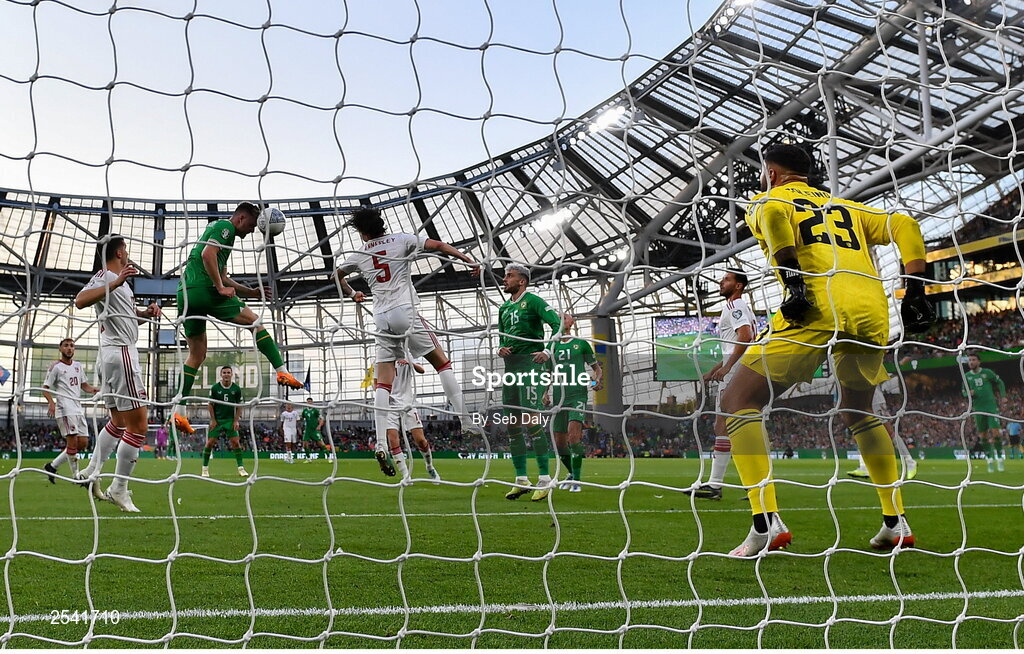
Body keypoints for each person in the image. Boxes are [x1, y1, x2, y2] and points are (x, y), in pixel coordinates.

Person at [719, 144, 934, 557]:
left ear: (772, 173)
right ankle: (895, 522)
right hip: (872, 311)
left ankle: (766, 523)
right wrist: (916, 288)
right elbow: (905, 223)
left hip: (817, 304)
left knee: (737, 400)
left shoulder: (768, 199)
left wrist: (794, 282)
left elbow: (776, 217)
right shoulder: (847, 207)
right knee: (859, 410)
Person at [334, 208, 480, 477]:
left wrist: (354, 293)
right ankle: (465, 420)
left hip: (380, 317)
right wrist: (467, 259)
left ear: (363, 232)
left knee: (383, 381)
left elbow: (337, 274)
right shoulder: (401, 239)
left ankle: (379, 443)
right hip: (405, 310)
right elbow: (437, 245)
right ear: (381, 225)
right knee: (442, 363)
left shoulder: (360, 253)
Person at [172, 202, 303, 436]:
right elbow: (207, 255)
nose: (252, 231)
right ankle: (281, 370)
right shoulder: (226, 227)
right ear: (241, 218)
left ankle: (178, 411)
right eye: (252, 225)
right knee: (256, 323)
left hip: (186, 293)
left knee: (196, 355)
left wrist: (250, 293)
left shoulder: (220, 234)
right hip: (206, 289)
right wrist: (220, 288)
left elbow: (221, 273)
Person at [74, 235, 163, 512]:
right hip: (122, 353)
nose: (128, 253)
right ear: (120, 251)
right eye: (126, 249)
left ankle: (91, 471)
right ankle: (118, 489)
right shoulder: (107, 277)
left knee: (118, 422)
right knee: (138, 427)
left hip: (110, 355)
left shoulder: (114, 280)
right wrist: (116, 282)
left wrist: (145, 313)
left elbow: (122, 314)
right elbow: (79, 301)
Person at [687, 268, 756, 500]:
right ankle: (752, 485)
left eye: (726, 279)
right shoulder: (741, 307)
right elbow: (735, 343)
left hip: (737, 372)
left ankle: (718, 485)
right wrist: (715, 369)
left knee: (724, 425)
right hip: (745, 369)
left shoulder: (734, 306)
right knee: (737, 426)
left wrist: (727, 369)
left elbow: (745, 337)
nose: (721, 282)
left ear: (738, 285)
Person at [498, 264, 563, 501]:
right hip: (510, 368)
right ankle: (521, 479)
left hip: (530, 365)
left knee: (530, 419)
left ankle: (545, 479)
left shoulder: (534, 301)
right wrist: (500, 348)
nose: (505, 279)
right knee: (512, 425)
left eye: (509, 276)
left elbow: (557, 323)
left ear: (522, 281)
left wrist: (548, 351)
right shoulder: (504, 307)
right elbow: (501, 335)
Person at [543, 314, 602, 493]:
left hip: (577, 395)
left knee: (573, 437)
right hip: (559, 397)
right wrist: (545, 392)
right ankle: (570, 473)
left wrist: (596, 381)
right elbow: (548, 374)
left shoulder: (581, 344)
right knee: (559, 443)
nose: (561, 319)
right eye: (558, 317)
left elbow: (597, 369)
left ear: (571, 322)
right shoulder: (551, 346)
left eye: (564, 316)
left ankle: (577, 480)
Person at [42, 338, 100, 484]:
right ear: (60, 349)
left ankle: (52, 466)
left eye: (72, 346)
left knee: (83, 443)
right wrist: (51, 403)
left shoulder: (78, 366)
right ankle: (76, 476)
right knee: (73, 441)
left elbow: (84, 386)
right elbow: (45, 388)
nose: (69, 348)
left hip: (77, 408)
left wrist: (96, 390)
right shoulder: (56, 367)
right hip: (65, 408)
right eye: (66, 346)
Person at [847, 376, 917, 480]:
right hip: (860, 396)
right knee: (859, 432)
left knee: (889, 432)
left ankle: (910, 462)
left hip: (874, 397)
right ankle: (864, 467)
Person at [381, 358, 440, 481]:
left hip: (408, 403)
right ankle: (406, 476)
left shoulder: (407, 354)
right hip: (390, 406)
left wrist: (409, 362)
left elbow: (422, 370)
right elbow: (376, 383)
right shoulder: (383, 357)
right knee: (393, 440)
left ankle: (429, 466)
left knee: (421, 441)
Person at [963, 353, 1006, 472]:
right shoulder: (966, 376)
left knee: (996, 433)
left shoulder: (987, 372)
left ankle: (999, 458)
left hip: (991, 408)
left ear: (979, 362)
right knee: (983, 436)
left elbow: (1000, 382)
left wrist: (1003, 396)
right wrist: (968, 393)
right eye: (969, 360)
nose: (971, 362)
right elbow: (963, 391)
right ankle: (990, 460)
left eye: (973, 360)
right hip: (977, 410)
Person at [202, 366, 247, 478]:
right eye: (224, 372)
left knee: (236, 443)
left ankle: (241, 468)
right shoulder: (215, 388)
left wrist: (236, 420)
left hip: (230, 420)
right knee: (210, 443)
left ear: (231, 374)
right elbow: (210, 405)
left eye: (228, 372)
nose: (226, 374)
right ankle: (205, 469)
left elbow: (239, 406)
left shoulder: (236, 389)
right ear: (221, 375)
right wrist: (213, 420)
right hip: (217, 420)